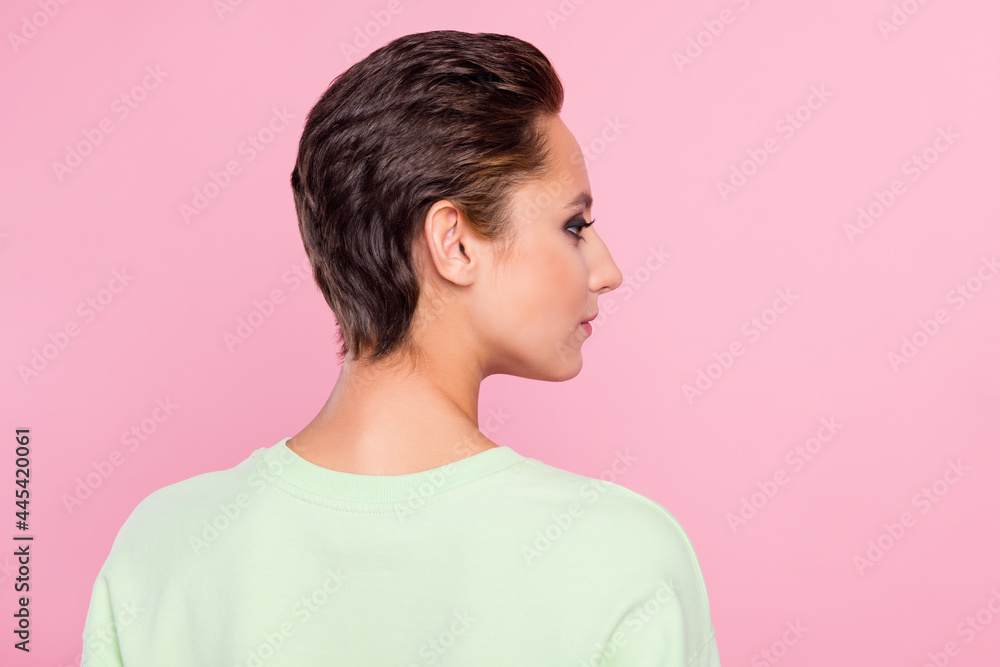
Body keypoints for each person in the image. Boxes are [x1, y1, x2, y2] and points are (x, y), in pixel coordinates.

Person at [81, 29, 721, 666]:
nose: (606, 270)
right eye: (573, 225)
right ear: (456, 243)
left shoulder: (162, 547)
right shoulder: (622, 556)